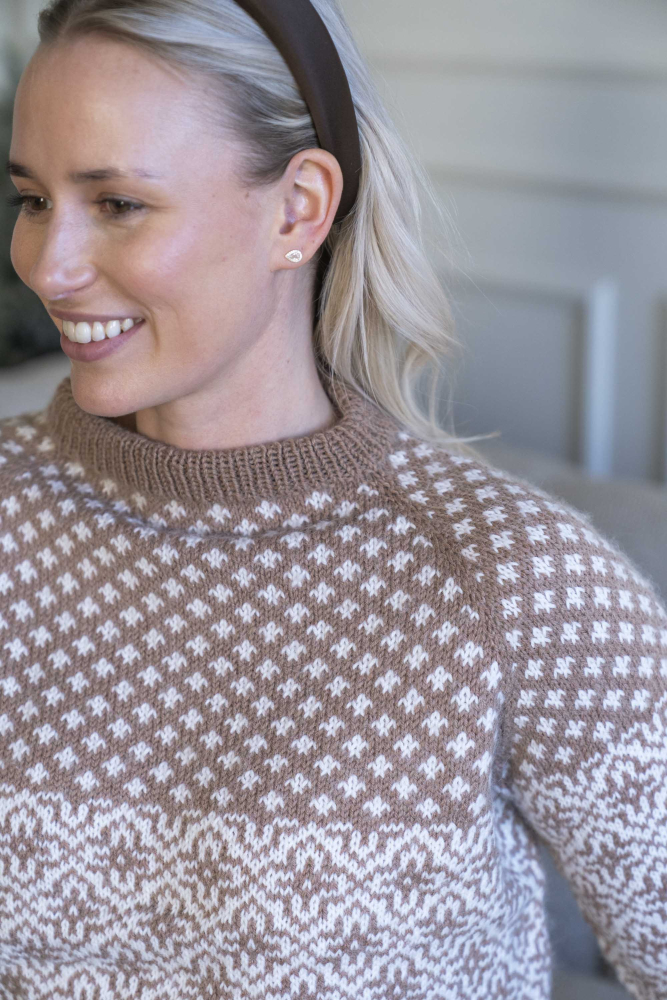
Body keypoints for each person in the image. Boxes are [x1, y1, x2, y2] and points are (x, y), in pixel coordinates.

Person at [1, 0, 666, 997]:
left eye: (119, 203)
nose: (46, 266)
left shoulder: (516, 584)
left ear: (298, 209)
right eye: (33, 199)